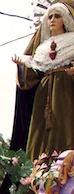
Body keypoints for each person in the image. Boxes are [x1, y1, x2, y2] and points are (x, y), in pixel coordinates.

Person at [13, 3, 74, 162]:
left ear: (65, 19)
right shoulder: (42, 48)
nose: (52, 20)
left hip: (66, 90)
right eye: (50, 16)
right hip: (44, 92)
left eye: (57, 16)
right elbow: (30, 79)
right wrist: (21, 67)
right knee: (40, 134)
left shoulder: (72, 41)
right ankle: (41, 169)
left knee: (65, 127)